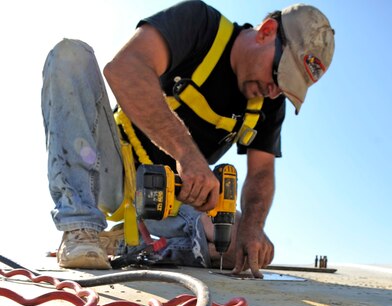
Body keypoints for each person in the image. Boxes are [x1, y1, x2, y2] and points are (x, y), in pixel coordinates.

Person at [41, 1, 335, 277]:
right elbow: (125, 69)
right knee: (71, 56)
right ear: (266, 32)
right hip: (111, 169)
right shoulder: (200, 24)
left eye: (284, 88)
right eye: (278, 75)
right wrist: (187, 154)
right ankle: (80, 229)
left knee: (240, 248)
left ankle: (127, 244)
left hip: (174, 197)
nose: (274, 91)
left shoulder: (268, 101)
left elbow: (261, 173)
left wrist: (253, 228)